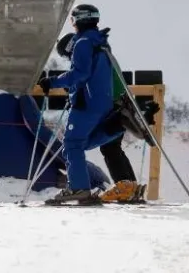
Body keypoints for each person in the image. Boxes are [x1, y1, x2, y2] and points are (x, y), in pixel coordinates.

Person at [38, 4, 121, 205]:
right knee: (80, 143)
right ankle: (117, 127)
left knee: (72, 144)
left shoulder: (83, 42)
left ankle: (78, 189)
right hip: (103, 101)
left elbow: (80, 74)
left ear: (78, 20)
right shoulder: (100, 43)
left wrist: (53, 82)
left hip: (86, 103)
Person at [53, 31, 145, 203]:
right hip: (120, 102)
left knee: (105, 146)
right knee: (112, 147)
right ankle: (129, 185)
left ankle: (124, 185)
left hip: (109, 105)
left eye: (67, 55)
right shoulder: (99, 51)